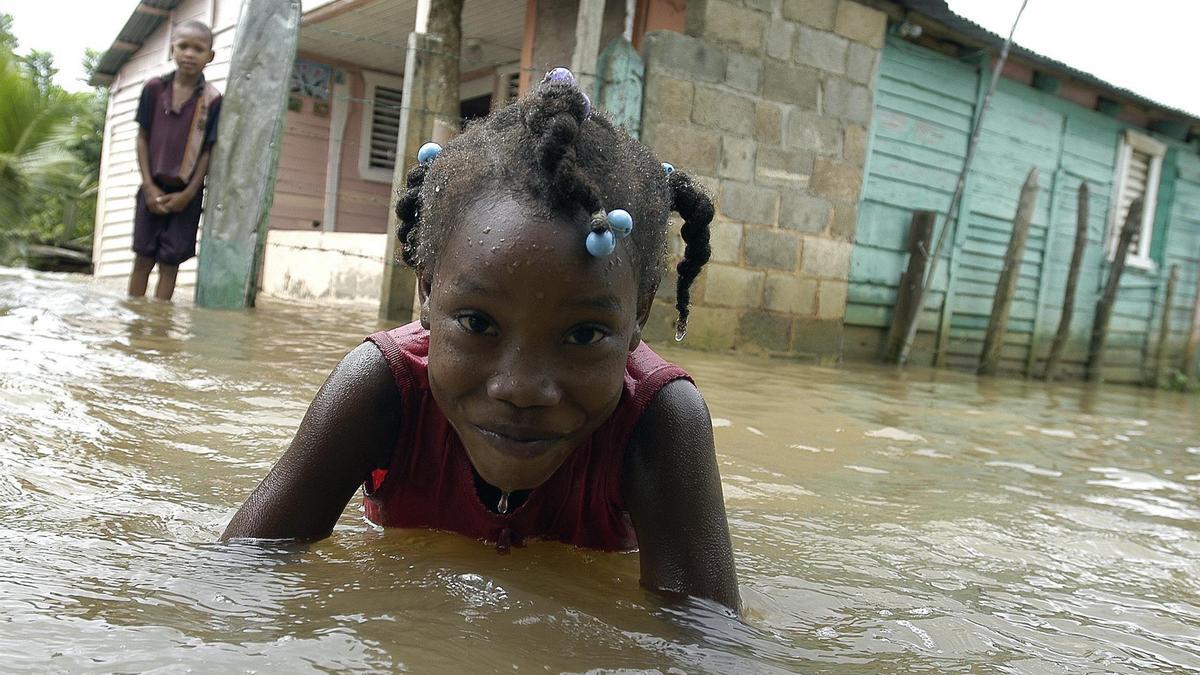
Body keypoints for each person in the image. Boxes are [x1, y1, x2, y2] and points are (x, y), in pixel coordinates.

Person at [222, 68, 740, 611]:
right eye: (478, 323)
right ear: (426, 290)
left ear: (639, 315)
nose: (521, 388)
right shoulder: (380, 389)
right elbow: (238, 578)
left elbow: (702, 644)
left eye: (583, 334)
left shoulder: (659, 421)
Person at [127, 20, 221, 301]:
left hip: (186, 195)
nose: (190, 54)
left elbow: (208, 150)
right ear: (172, 50)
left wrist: (189, 193)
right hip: (151, 188)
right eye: (183, 46)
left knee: (170, 265)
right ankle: (136, 326)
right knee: (143, 259)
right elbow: (142, 137)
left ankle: (158, 328)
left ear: (210, 56)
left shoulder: (213, 99)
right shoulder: (154, 89)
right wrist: (148, 187)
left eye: (198, 49)